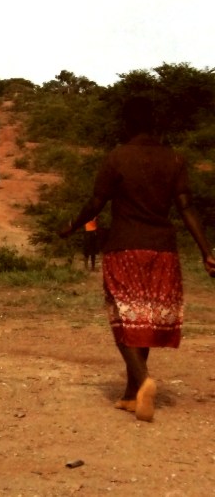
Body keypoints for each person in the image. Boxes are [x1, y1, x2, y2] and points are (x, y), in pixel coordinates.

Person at [59, 95, 215, 422]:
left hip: (125, 246)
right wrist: (206, 251)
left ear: (126, 124)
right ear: (154, 124)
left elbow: (96, 202)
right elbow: (186, 208)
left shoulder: (117, 158)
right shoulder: (174, 160)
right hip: (163, 250)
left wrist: (72, 225)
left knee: (122, 315)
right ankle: (131, 395)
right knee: (143, 318)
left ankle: (143, 381)